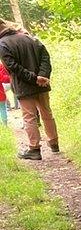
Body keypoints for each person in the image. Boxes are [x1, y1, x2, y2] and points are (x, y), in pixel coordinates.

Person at [0, 21, 58, 159]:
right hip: (41, 84)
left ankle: (34, 149)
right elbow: (45, 57)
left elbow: (13, 67)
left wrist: (33, 78)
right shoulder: (29, 37)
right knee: (47, 113)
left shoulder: (2, 44)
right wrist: (42, 76)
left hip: (24, 86)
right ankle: (54, 143)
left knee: (29, 117)